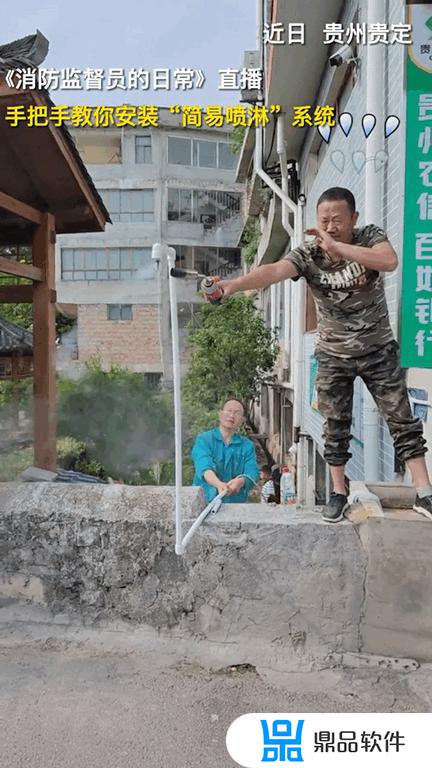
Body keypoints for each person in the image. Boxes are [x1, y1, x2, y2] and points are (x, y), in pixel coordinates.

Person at [214, 187, 432, 523]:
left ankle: (424, 492)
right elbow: (273, 271)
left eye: (337, 221)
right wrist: (232, 285)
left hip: (378, 350)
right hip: (333, 355)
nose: (329, 227)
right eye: (324, 220)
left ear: (353, 220)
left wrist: (339, 247)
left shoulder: (369, 236)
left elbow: (389, 261)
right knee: (335, 426)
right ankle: (338, 493)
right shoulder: (307, 255)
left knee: (402, 421)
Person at [191, 398, 259, 504]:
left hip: (235, 505)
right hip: (204, 502)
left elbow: (252, 472)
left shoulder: (247, 446)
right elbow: (203, 466)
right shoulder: (204, 439)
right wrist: (219, 484)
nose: (232, 416)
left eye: (237, 413)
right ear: (220, 413)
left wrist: (241, 481)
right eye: (229, 411)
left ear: (243, 419)